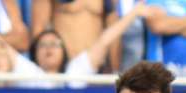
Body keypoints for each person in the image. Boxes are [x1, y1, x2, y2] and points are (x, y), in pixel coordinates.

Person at [29, 2, 163, 79]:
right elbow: (39, 29)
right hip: (63, 69)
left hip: (95, 66)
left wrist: (114, 70)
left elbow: (112, 33)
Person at [30, 0, 113, 63]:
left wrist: (114, 69)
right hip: (65, 66)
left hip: (97, 65)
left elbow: (112, 27)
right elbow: (39, 27)